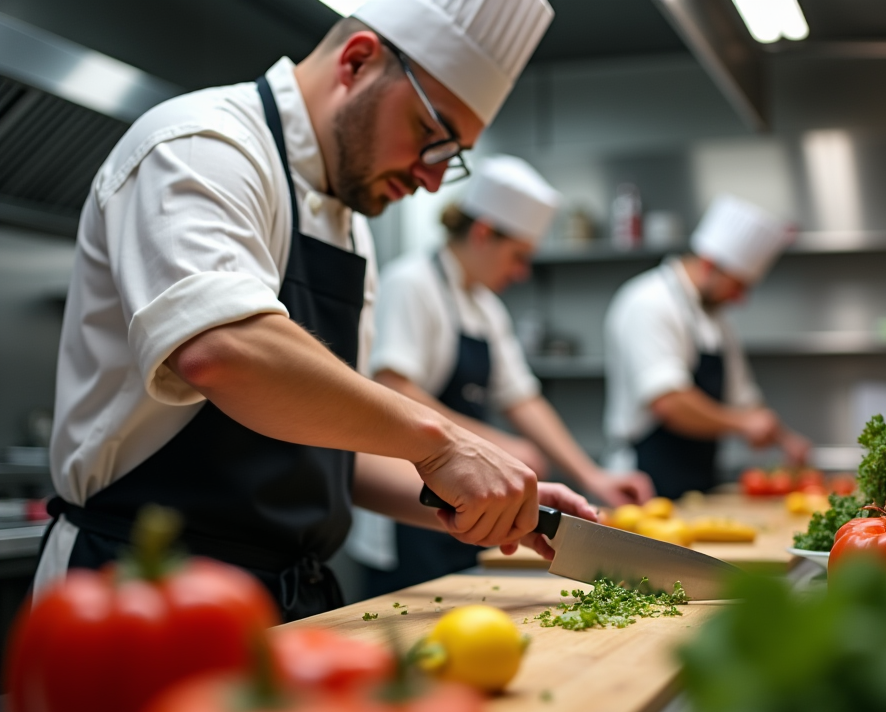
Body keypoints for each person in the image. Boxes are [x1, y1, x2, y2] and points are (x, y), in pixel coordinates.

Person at [33, 0, 597, 622]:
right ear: (357, 61)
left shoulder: (348, 229)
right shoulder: (204, 144)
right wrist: (444, 443)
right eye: (431, 136)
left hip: (289, 604)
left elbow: (335, 455)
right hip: (137, 596)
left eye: (450, 156)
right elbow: (223, 351)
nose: (434, 182)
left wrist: (486, 500)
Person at [353, 155, 653, 595]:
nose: (521, 272)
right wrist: (490, 448)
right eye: (518, 256)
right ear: (482, 233)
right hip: (408, 505)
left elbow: (522, 398)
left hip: (468, 500)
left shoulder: (486, 307)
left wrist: (593, 477)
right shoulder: (411, 283)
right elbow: (395, 388)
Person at [604, 194, 811, 500]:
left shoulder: (717, 320)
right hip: (641, 486)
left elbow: (744, 400)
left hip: (697, 484)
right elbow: (669, 403)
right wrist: (743, 425)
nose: (741, 299)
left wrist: (784, 438)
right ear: (709, 263)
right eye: (738, 284)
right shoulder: (648, 302)